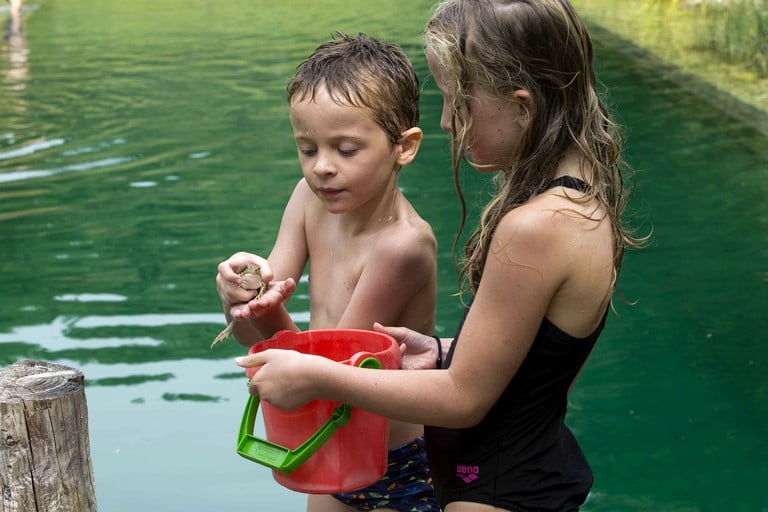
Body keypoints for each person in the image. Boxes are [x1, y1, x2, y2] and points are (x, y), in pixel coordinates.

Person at [236, 1, 648, 511]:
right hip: (508, 476)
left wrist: (317, 376)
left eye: (459, 101)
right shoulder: (579, 199)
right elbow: (543, 361)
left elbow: (464, 399)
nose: (447, 122)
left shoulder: (536, 226)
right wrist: (445, 350)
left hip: (501, 489)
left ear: (522, 106)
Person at [215, 33, 440, 512]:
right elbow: (255, 334)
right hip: (327, 432)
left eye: (346, 149)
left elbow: (332, 367)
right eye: (308, 148)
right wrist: (239, 291)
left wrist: (263, 317)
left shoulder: (403, 246)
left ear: (404, 147)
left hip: (393, 458)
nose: (322, 168)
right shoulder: (306, 199)